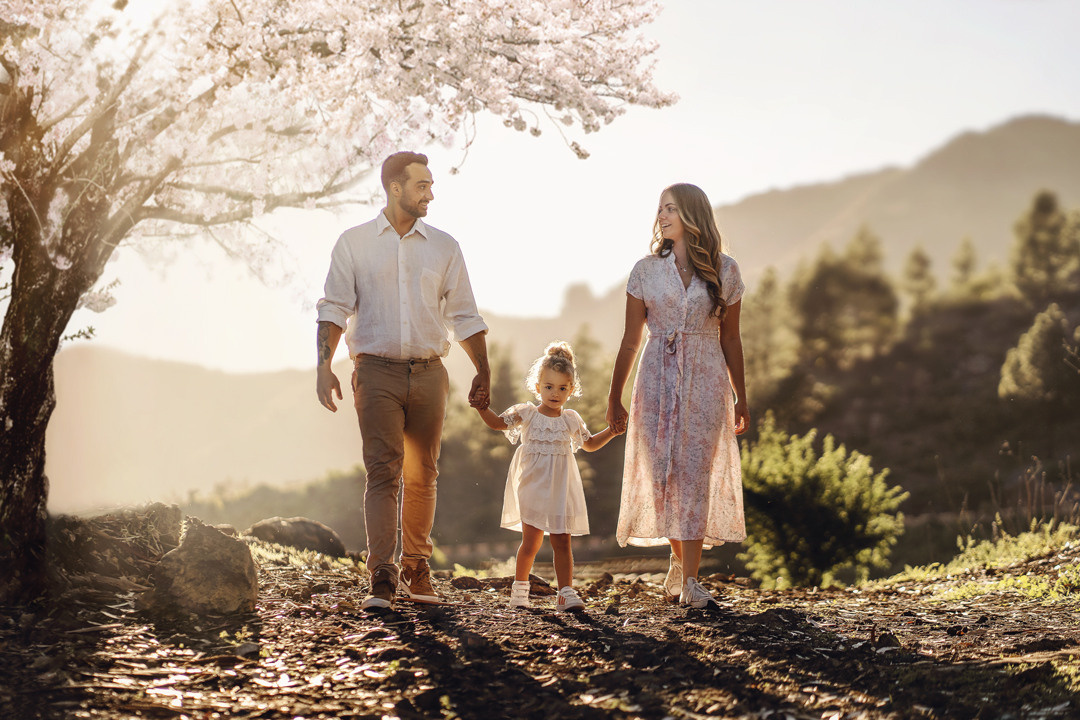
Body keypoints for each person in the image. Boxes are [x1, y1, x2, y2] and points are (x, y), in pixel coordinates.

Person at [315, 151, 491, 610]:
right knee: (383, 470)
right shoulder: (354, 243)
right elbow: (334, 307)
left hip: (431, 373)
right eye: (422, 185)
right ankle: (381, 574)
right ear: (395, 188)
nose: (430, 193)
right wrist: (323, 366)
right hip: (375, 372)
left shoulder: (444, 246)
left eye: (430, 186)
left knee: (423, 474)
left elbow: (465, 313)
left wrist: (483, 369)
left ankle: (415, 567)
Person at [606, 183, 750, 610]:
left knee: (695, 476)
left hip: (706, 379)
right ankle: (677, 559)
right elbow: (631, 340)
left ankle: (691, 581)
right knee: (663, 478)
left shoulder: (726, 270)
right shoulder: (645, 271)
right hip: (655, 379)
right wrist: (615, 396)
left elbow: (732, 337)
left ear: (692, 215)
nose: (661, 216)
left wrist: (742, 395)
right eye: (660, 209)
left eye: (670, 208)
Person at [475, 341, 621, 611]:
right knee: (531, 541)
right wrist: (481, 407)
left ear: (571, 389)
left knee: (562, 542)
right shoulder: (527, 414)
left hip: (561, 487)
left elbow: (588, 444)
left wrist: (611, 432)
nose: (555, 393)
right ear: (537, 385)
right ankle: (519, 592)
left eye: (563, 388)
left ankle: (565, 593)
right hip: (532, 484)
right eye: (549, 386)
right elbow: (497, 423)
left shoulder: (571, 419)